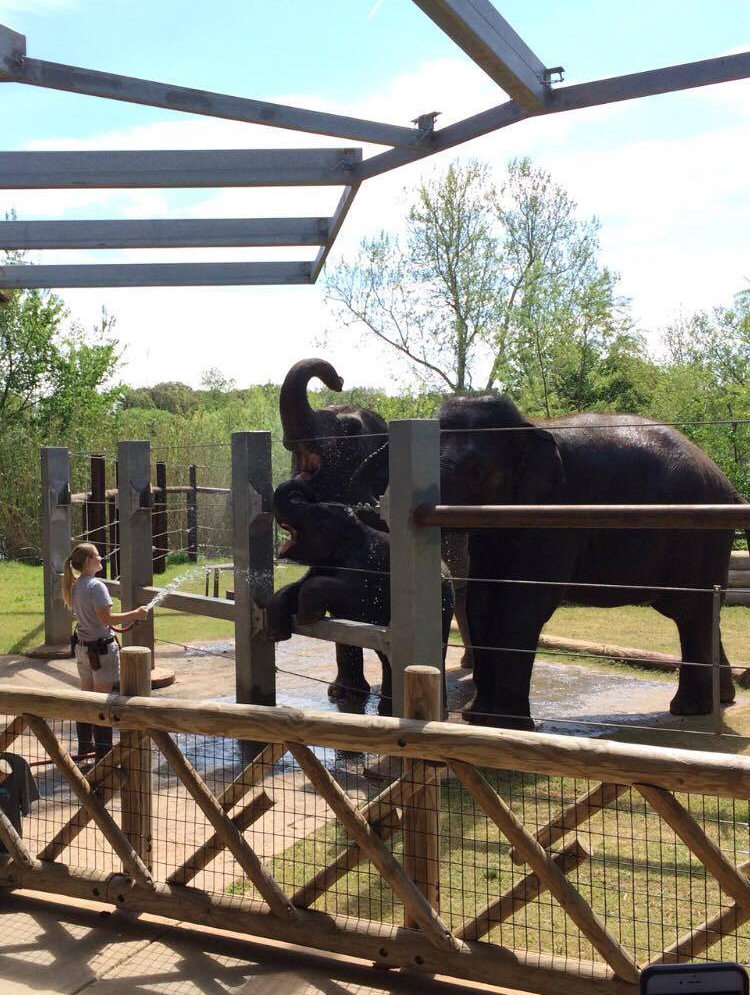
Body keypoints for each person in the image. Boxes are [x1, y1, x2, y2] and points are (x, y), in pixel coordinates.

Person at [61, 542, 149, 764]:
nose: (102, 559)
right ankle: (104, 757)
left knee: (87, 698)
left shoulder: (76, 584)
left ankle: (85, 749)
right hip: (101, 652)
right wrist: (136, 613)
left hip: (83, 648)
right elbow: (107, 620)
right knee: (103, 703)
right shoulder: (96, 586)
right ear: (89, 561)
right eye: (98, 556)